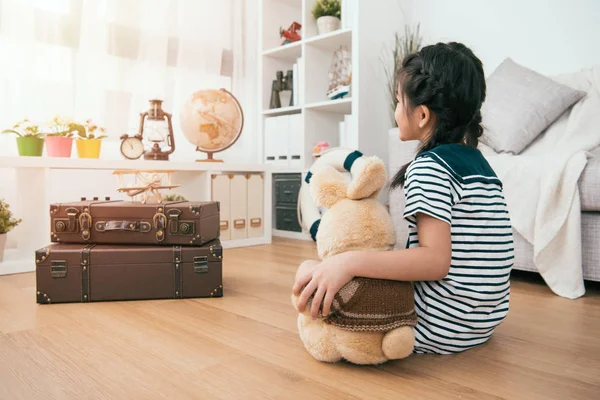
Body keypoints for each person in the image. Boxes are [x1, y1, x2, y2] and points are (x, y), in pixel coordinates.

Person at [293, 42, 514, 354]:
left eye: (398, 101)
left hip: (434, 325)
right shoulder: (482, 167)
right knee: (332, 271)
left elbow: (434, 261)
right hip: (479, 325)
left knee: (309, 271)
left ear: (422, 115)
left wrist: (347, 262)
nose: (396, 111)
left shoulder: (430, 167)